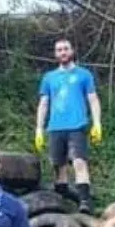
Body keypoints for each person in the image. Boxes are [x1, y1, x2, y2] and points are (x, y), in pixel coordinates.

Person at [34, 39, 102, 215]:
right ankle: (62, 202)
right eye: (59, 50)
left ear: (71, 51)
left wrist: (97, 123)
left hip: (77, 125)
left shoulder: (84, 75)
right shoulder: (49, 77)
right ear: (55, 54)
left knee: (79, 162)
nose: (62, 52)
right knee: (59, 166)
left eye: (65, 49)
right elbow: (44, 103)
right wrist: (39, 129)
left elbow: (93, 99)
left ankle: (85, 202)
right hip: (55, 127)